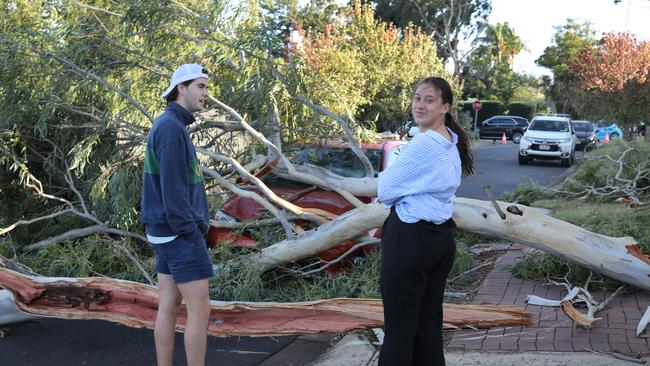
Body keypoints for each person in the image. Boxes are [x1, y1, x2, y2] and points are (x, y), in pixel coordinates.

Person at [377, 76, 474, 366]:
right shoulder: (450, 140)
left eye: (429, 100)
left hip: (410, 239)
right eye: (417, 98)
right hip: (438, 242)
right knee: (426, 326)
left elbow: (385, 190)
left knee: (398, 330)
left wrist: (403, 191)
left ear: (445, 107)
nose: (420, 105)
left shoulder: (424, 144)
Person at [141, 63, 213, 366]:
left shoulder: (169, 125)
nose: (206, 94)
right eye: (200, 86)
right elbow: (173, 189)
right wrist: (191, 230)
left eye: (206, 87)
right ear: (180, 88)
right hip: (178, 232)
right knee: (200, 308)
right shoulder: (171, 129)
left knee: (168, 304)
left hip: (163, 230)